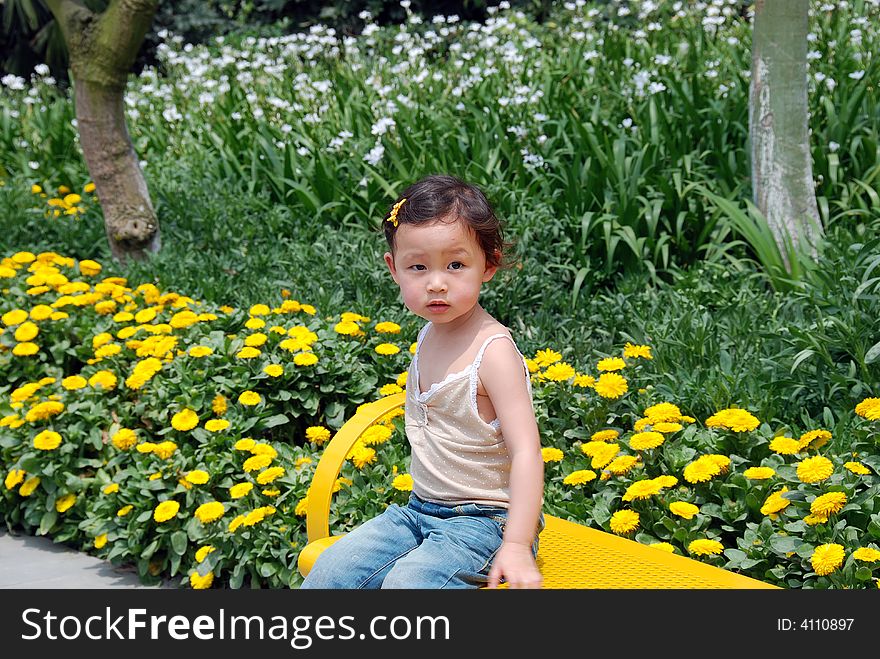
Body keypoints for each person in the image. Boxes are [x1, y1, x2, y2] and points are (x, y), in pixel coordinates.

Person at [300, 174, 544, 589]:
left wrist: (518, 544)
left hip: (487, 522)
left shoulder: (494, 352)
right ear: (394, 269)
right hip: (420, 510)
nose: (436, 282)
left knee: (407, 587)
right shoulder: (429, 332)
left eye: (455, 264)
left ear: (489, 264)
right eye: (418, 266)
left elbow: (527, 451)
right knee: (331, 573)